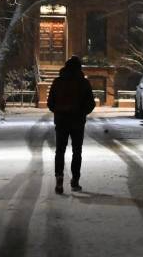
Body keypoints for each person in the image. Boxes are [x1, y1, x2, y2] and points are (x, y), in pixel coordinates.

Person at [46, 55, 96, 194]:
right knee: (77, 151)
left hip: (61, 121)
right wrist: (82, 113)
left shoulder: (58, 82)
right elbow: (91, 103)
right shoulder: (83, 83)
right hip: (77, 122)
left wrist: (58, 111)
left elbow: (50, 103)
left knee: (60, 151)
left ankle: (59, 177)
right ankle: (75, 180)